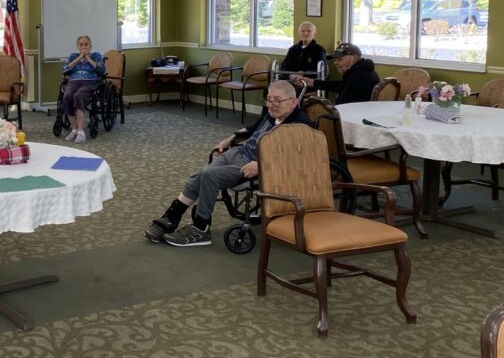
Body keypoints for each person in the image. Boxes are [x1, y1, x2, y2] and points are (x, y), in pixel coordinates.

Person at [145, 80, 312, 248]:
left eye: (277, 100)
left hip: (254, 166)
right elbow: (251, 130)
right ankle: (172, 216)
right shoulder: (272, 114)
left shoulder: (301, 127)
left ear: (293, 101)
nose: (272, 104)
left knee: (210, 176)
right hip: (238, 153)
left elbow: (298, 161)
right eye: (269, 99)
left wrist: (261, 166)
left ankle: (201, 228)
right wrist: (231, 138)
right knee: (202, 173)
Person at [292, 42, 379, 104]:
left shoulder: (358, 78)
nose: (335, 63)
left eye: (340, 59)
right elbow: (341, 85)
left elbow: (343, 107)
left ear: (354, 58)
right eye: (335, 60)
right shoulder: (362, 71)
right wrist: (311, 82)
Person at [61, 35, 106, 144]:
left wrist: (88, 58)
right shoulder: (73, 56)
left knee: (78, 96)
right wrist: (79, 58)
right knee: (67, 96)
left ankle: (81, 132)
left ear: (90, 46)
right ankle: (74, 129)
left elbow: (102, 71)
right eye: (81, 44)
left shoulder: (96, 55)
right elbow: (65, 70)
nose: (83, 46)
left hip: (90, 82)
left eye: (86, 44)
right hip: (74, 81)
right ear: (77, 46)